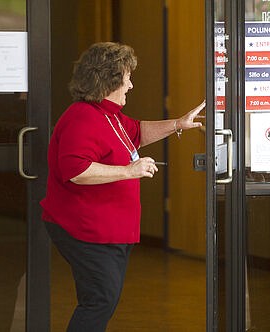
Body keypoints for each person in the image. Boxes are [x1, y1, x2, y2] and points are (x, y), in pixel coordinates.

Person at [40, 42, 205, 331]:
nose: (130, 84)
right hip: (87, 229)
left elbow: (137, 132)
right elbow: (76, 170)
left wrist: (178, 123)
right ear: (109, 79)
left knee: (103, 299)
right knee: (100, 301)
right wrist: (129, 171)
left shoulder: (109, 115)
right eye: (127, 77)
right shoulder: (83, 117)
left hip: (110, 231)